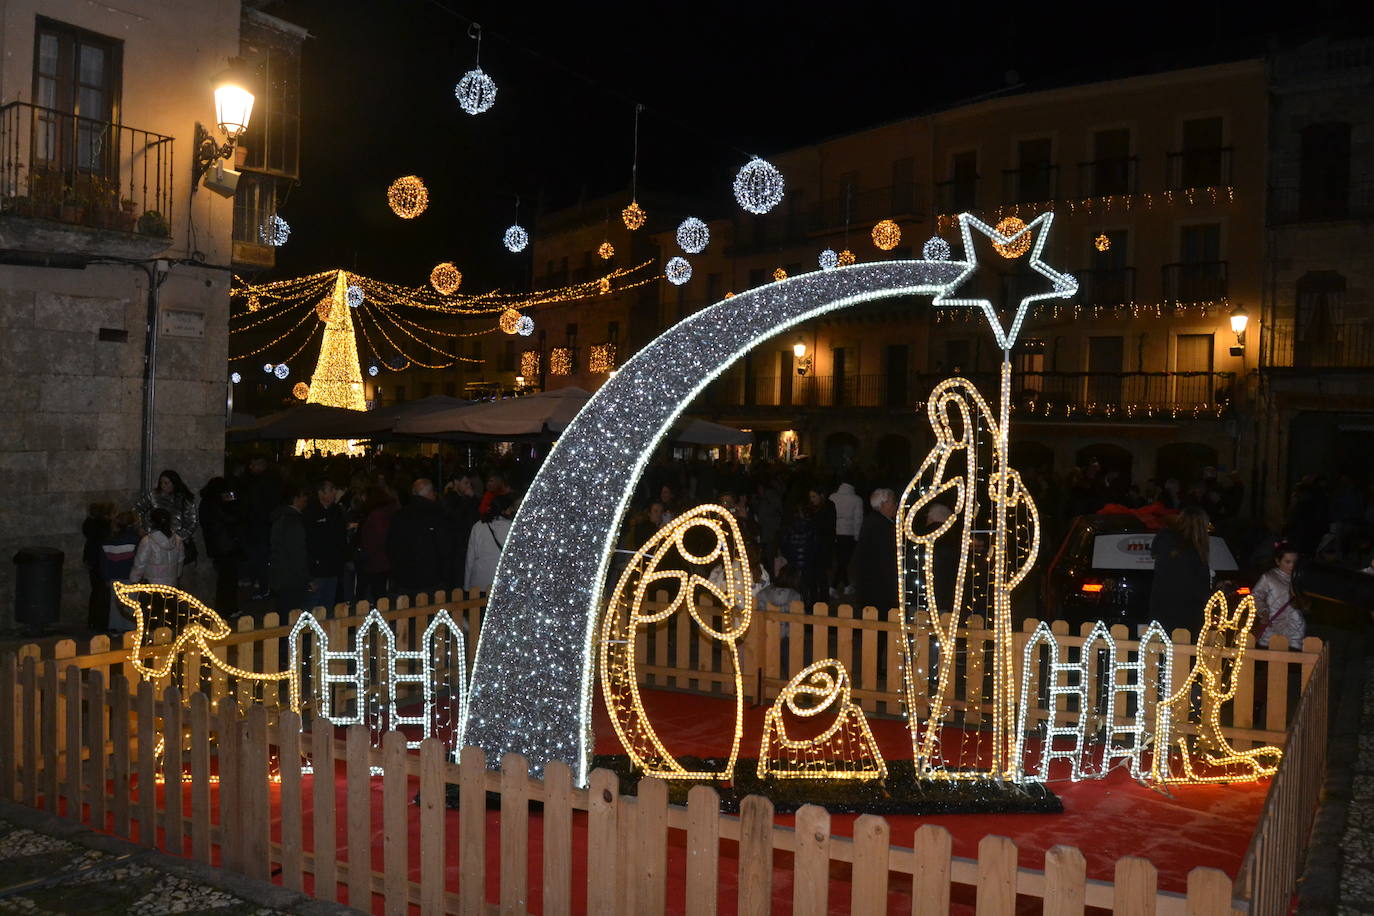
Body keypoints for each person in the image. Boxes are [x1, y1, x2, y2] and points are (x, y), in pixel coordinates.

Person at [1148, 506, 1213, 635]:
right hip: (1186, 614)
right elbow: (1198, 587)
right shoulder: (1193, 552)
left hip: (1161, 609)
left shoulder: (1166, 542)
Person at [387, 478, 456, 598]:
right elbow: (445, 547)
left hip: (405, 579)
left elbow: (391, 545)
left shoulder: (399, 515)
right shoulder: (437, 515)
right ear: (430, 493)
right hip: (432, 579)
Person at [199, 477, 245, 617]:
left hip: (220, 546)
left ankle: (227, 608)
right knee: (227, 580)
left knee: (226, 579)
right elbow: (230, 518)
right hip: (225, 546)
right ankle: (226, 609)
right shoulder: (215, 503)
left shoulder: (207, 502)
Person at [135, 469, 198, 567]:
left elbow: (191, 522)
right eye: (161, 482)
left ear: (174, 483)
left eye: (166, 483)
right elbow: (137, 509)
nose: (163, 486)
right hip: (154, 539)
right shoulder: (153, 495)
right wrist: (142, 527)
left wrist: (178, 538)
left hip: (176, 542)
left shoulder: (185, 499)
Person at [304, 478, 349, 612]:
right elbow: (309, 540)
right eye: (331, 490)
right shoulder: (311, 512)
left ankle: (324, 630)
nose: (334, 493)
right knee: (313, 602)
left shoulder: (336, 510)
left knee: (328, 602)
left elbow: (339, 535)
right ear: (321, 493)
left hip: (333, 565)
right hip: (317, 566)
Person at [1253, 543, 1307, 649]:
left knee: (1292, 661)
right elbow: (1256, 596)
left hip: (1295, 629)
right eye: (1287, 562)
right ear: (1278, 561)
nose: (1292, 566)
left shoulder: (1299, 579)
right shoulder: (1269, 577)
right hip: (1272, 628)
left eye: (1295, 562)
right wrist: (1263, 611)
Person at [855, 489, 898, 614]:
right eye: (893, 502)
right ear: (883, 504)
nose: (896, 505)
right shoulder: (881, 526)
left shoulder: (873, 521)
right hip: (879, 587)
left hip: (873, 585)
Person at [269, 485, 311, 615]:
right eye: (303, 496)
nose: (306, 499)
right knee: (291, 614)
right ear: (295, 499)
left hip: (282, 575)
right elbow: (297, 552)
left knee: (284, 612)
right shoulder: (292, 521)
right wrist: (306, 578)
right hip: (291, 578)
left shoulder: (282, 517)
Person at [356, 485, 400, 603]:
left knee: (378, 595)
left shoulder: (377, 515)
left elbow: (379, 537)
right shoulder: (390, 511)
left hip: (377, 560)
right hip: (384, 559)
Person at [101, 511, 140, 633]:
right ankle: (130, 629)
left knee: (115, 604)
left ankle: (115, 628)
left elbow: (103, 561)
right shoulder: (135, 539)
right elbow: (138, 559)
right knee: (131, 603)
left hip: (114, 577)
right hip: (130, 576)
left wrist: (106, 577)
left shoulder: (108, 540)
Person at [465, 494, 515, 592]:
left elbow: (470, 558)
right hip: (501, 582)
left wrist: (466, 585)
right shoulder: (511, 527)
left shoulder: (478, 526)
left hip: (478, 582)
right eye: (510, 508)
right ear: (504, 510)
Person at [130, 507, 185, 587]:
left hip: (153, 587)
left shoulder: (147, 541)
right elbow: (180, 563)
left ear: (152, 522)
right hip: (172, 586)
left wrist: (134, 580)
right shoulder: (178, 540)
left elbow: (140, 564)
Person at [81, 502, 114, 631]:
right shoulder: (103, 531)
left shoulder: (91, 529)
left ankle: (94, 622)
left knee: (96, 592)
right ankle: (101, 623)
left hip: (94, 563)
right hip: (101, 564)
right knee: (103, 594)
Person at [829, 481, 864, 595]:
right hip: (848, 534)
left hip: (835, 532)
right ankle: (833, 586)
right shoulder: (856, 500)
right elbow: (858, 519)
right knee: (843, 561)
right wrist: (857, 536)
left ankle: (847, 585)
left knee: (841, 560)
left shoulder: (833, 497)